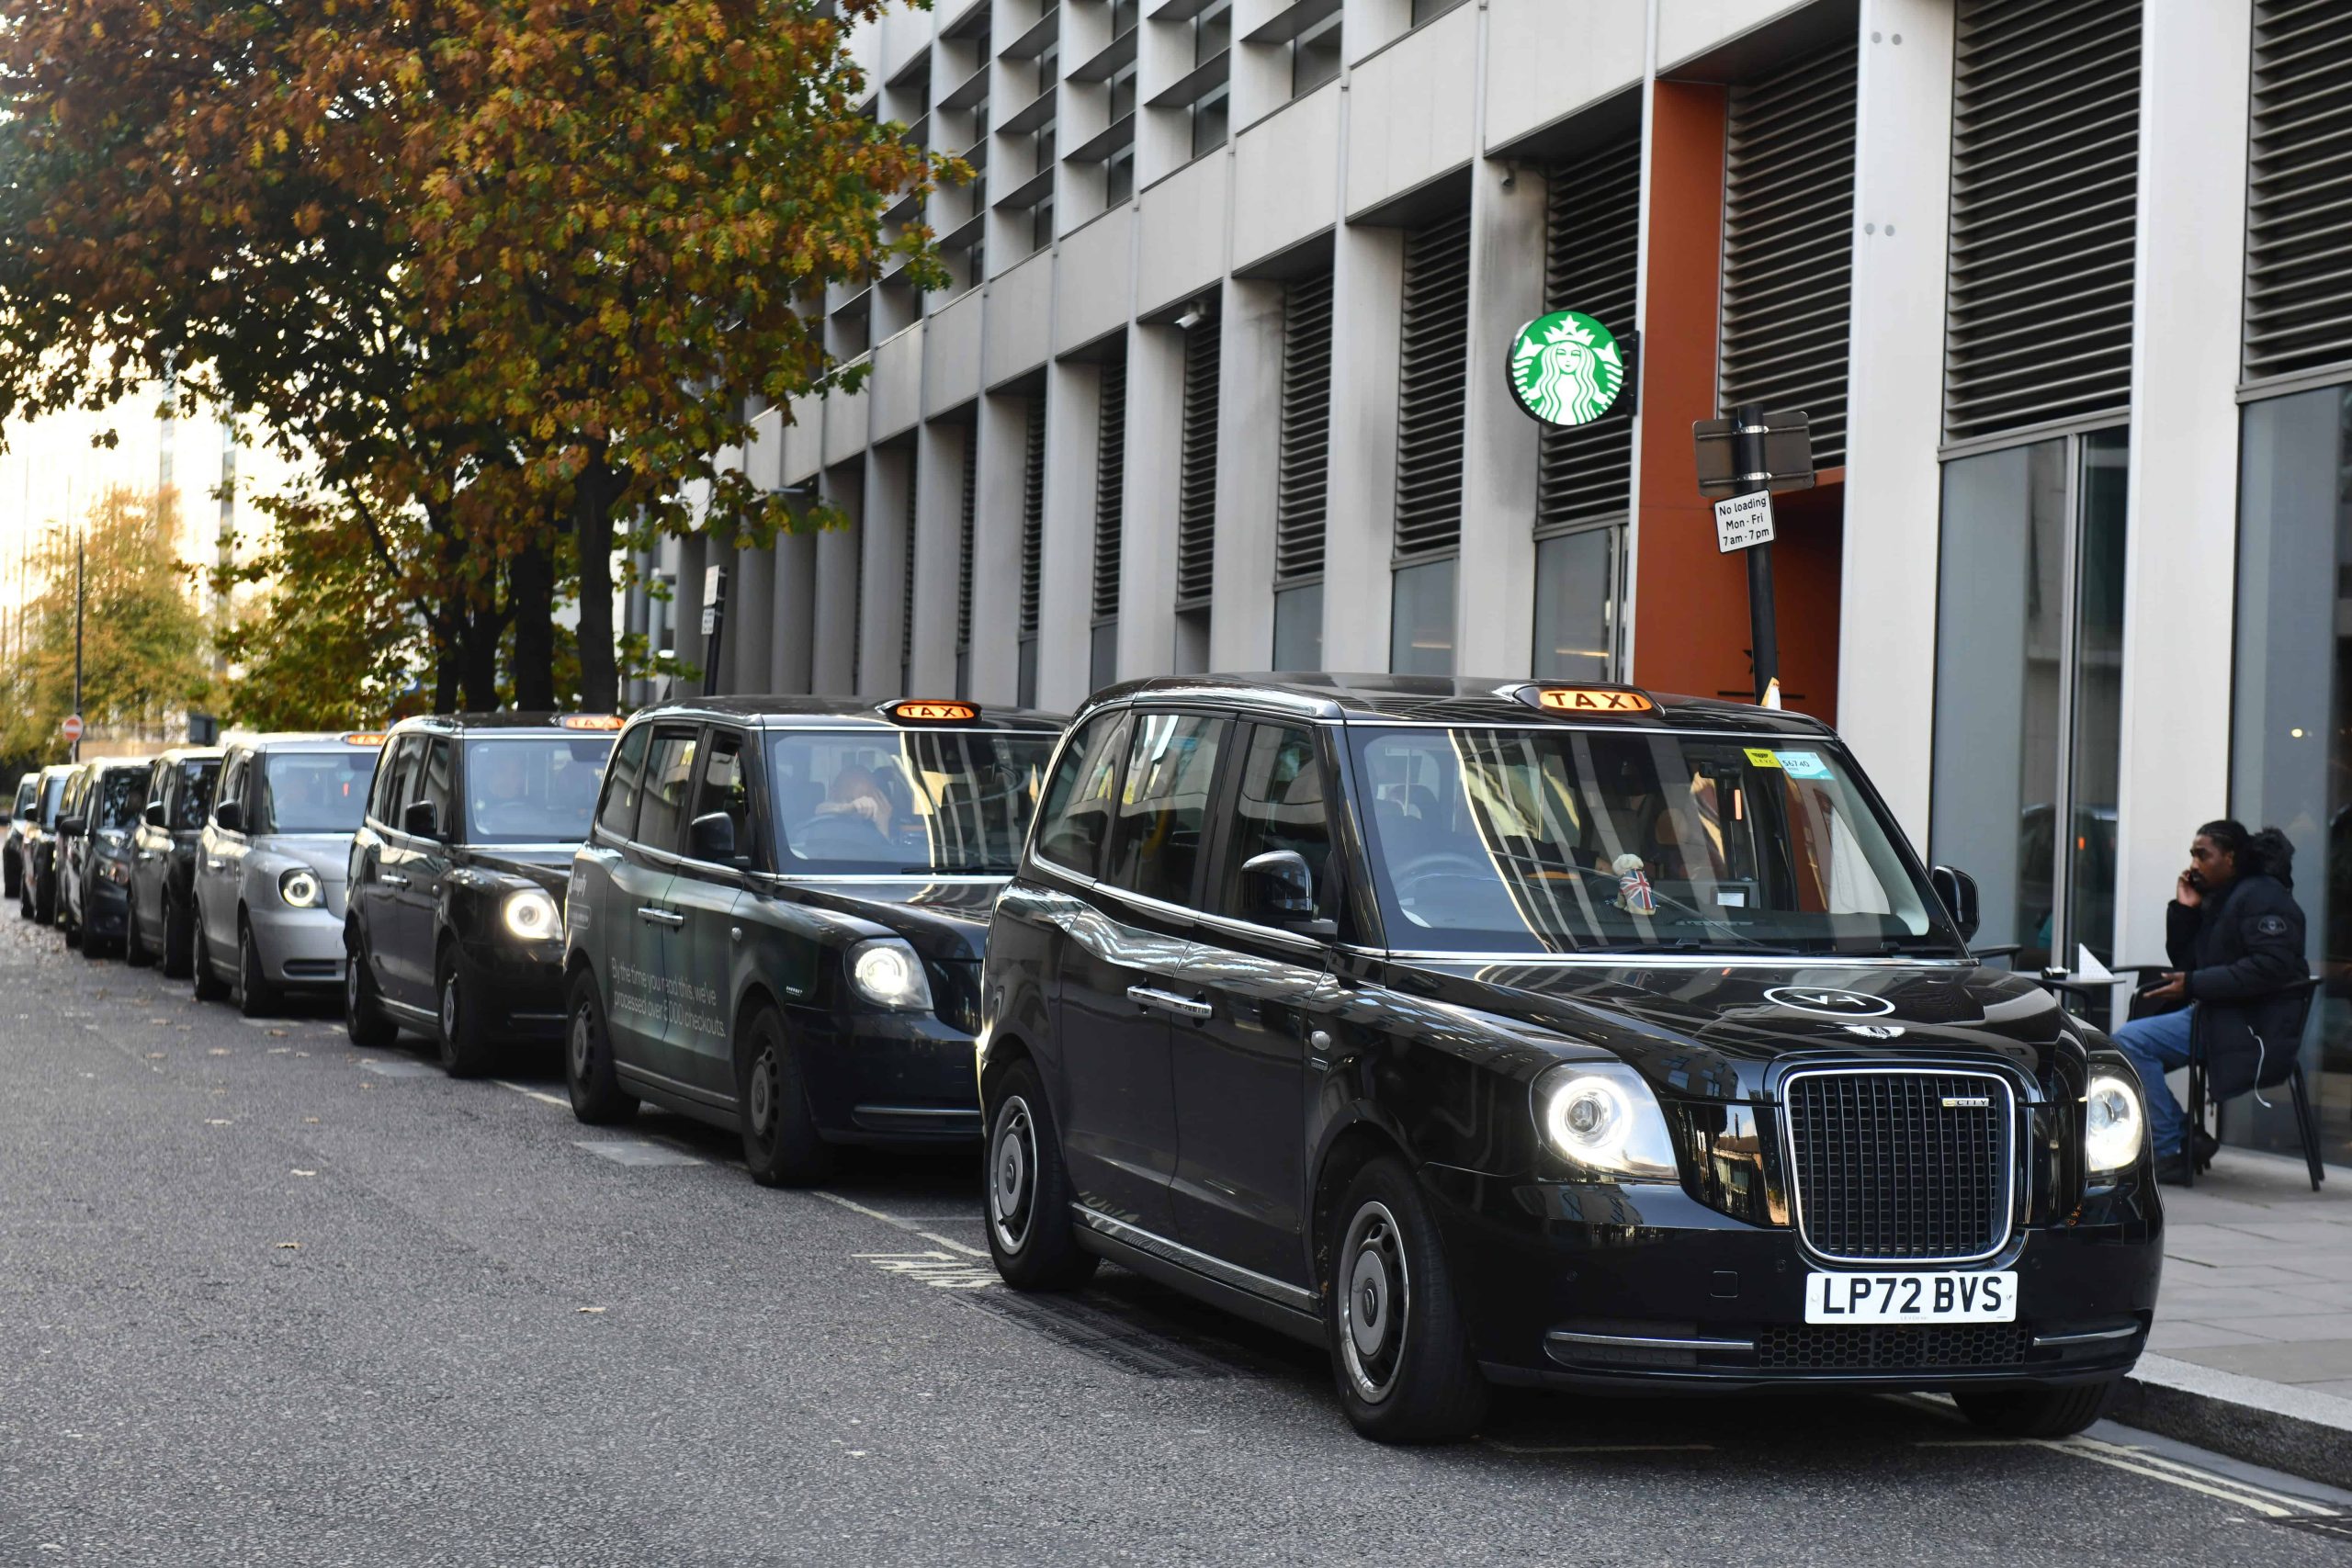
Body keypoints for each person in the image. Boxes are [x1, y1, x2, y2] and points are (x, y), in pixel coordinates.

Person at [2112, 820, 2308, 1185]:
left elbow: (2270, 967)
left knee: (2129, 1043)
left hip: (2251, 1025)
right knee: (2129, 1043)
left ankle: (2173, 1145)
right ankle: (2184, 1138)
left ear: (2230, 857)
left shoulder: (2263, 897)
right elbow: (2188, 963)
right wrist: (2186, 909)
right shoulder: (2227, 897)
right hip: (2222, 1015)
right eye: (2193, 855)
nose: (2194, 864)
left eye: (2203, 855)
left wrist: (2194, 984)